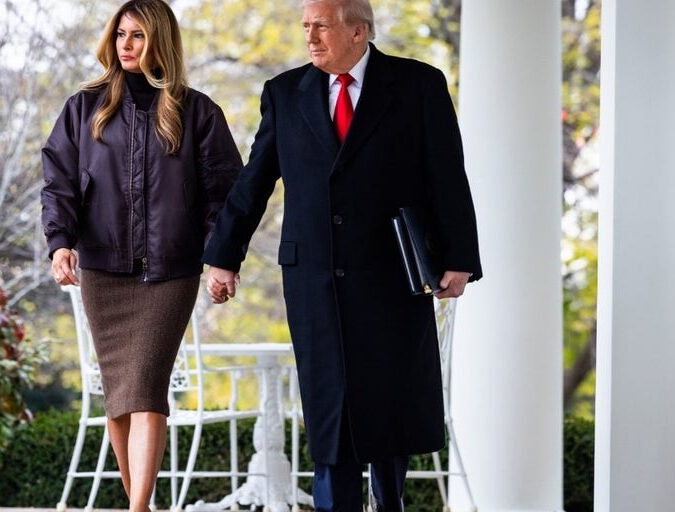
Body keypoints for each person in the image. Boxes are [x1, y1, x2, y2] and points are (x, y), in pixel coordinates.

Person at [203, 0, 482, 510]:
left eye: (322, 26)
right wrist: (224, 256)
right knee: (329, 403)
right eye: (306, 27)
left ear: (359, 32)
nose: (310, 37)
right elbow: (254, 181)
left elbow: (447, 174)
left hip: (392, 274)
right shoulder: (284, 92)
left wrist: (459, 256)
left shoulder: (418, 85)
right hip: (313, 277)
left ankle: (390, 501)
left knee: (389, 399)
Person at [40, 1, 241, 510]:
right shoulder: (84, 108)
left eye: (138, 36)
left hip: (170, 271)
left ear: (160, 42)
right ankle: (143, 506)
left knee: (147, 389)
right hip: (104, 269)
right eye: (121, 34)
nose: (126, 45)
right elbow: (59, 182)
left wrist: (222, 259)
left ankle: (135, 507)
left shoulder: (198, 111)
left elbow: (224, 194)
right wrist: (59, 243)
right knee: (120, 397)